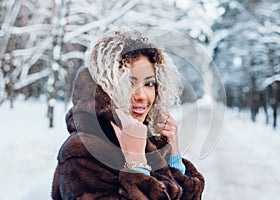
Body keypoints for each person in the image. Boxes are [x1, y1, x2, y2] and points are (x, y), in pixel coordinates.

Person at [51, 29, 205, 199]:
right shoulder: (83, 153)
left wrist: (173, 157)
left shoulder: (149, 140)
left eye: (149, 83)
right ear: (106, 88)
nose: (141, 96)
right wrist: (136, 165)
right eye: (129, 83)